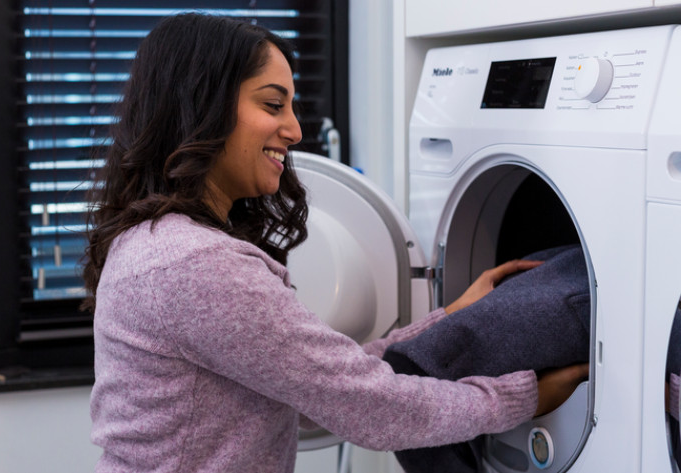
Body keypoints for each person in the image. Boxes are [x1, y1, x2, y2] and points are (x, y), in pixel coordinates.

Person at [82, 13, 588, 473]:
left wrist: (451, 315)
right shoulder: (193, 264)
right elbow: (369, 406)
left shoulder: (157, 244)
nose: (296, 130)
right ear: (202, 106)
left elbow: (321, 375)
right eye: (273, 104)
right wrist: (521, 399)